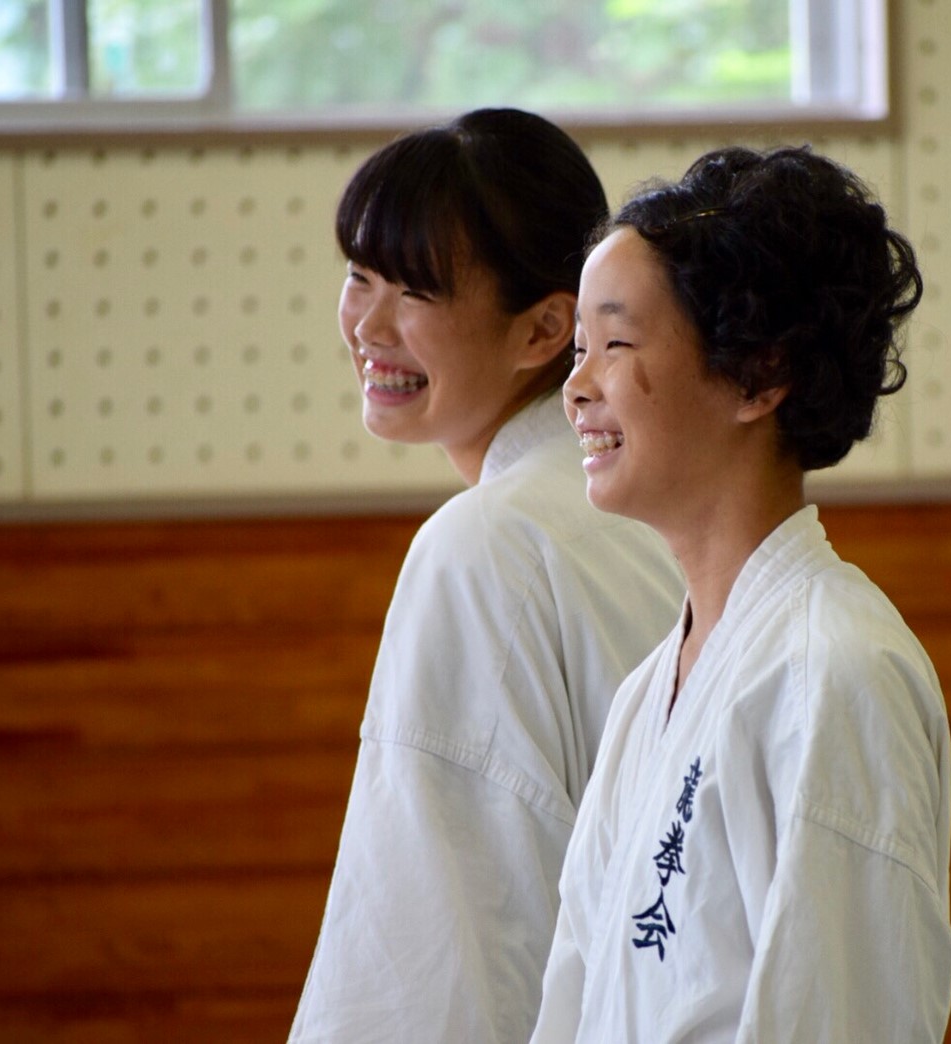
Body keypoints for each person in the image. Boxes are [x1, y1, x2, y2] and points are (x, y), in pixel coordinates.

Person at [531, 145, 951, 1041]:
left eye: (616, 344)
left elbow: (846, 1014)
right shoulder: (655, 686)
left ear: (758, 374)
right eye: (577, 350)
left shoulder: (835, 671)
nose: (576, 389)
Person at [289, 109, 684, 1043]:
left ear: (546, 327)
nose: (369, 326)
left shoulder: (483, 544)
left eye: (415, 291)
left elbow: (433, 941)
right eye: (359, 276)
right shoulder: (644, 509)